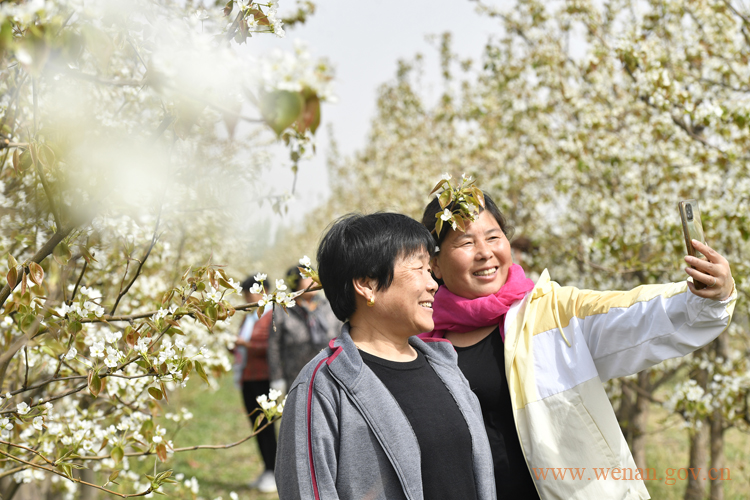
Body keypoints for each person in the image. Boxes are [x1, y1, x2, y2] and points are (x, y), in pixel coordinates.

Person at [419, 185, 736, 499]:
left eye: (493, 237)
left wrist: (705, 297)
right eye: (465, 242)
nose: (485, 252)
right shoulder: (419, 342)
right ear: (434, 263)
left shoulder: (552, 314)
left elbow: (632, 312)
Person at [275, 213, 496, 500]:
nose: (433, 284)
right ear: (367, 283)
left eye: (430, 270)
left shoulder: (445, 366)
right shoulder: (323, 387)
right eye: (419, 268)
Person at [233, 276, 278, 493]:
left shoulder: (272, 315)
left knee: (266, 426)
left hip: (264, 377)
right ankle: (267, 468)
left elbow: (271, 346)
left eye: (249, 292)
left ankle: (274, 471)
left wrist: (246, 344)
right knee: (256, 425)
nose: (246, 297)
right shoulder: (250, 317)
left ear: (264, 290)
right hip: (247, 376)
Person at [268, 266, 341, 393]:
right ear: (295, 283)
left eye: (313, 276)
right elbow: (273, 346)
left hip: (329, 376)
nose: (313, 281)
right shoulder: (283, 311)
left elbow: (341, 338)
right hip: (296, 377)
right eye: (307, 277)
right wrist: (277, 378)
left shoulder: (328, 306)